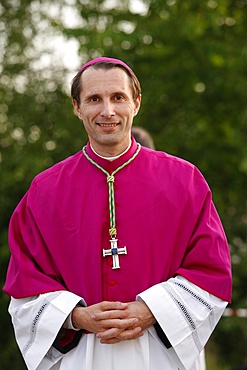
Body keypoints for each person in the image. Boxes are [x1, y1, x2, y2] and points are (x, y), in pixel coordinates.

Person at [3, 57, 232, 370]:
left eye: (118, 98)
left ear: (136, 103)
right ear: (76, 107)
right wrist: (76, 316)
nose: (107, 111)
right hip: (81, 357)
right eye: (94, 99)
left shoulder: (185, 180)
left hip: (159, 356)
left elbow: (211, 273)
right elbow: (25, 286)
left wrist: (150, 309)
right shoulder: (44, 190)